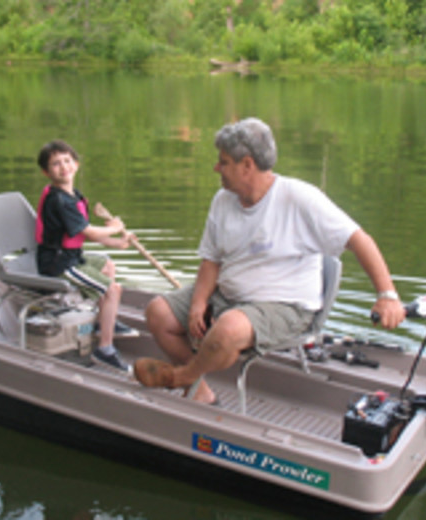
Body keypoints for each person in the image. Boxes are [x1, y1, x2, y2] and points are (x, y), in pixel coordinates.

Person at [134, 118, 406, 404]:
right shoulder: (222, 200)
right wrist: (199, 303)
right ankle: (201, 389)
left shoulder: (300, 199)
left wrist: (387, 295)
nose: (216, 168)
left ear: (247, 165)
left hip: (285, 307)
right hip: (228, 296)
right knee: (157, 312)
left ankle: (182, 377)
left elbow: (359, 239)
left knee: (227, 330)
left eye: (223, 162)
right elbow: (211, 260)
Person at [35, 139, 136, 372]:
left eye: (67, 161)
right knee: (112, 289)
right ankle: (105, 349)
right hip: (58, 263)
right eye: (56, 164)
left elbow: (78, 236)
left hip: (71, 255)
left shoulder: (72, 196)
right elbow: (86, 231)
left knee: (108, 266)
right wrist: (114, 227)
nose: (63, 167)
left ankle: (103, 323)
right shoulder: (59, 200)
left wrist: (116, 242)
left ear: (76, 164)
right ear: (46, 172)